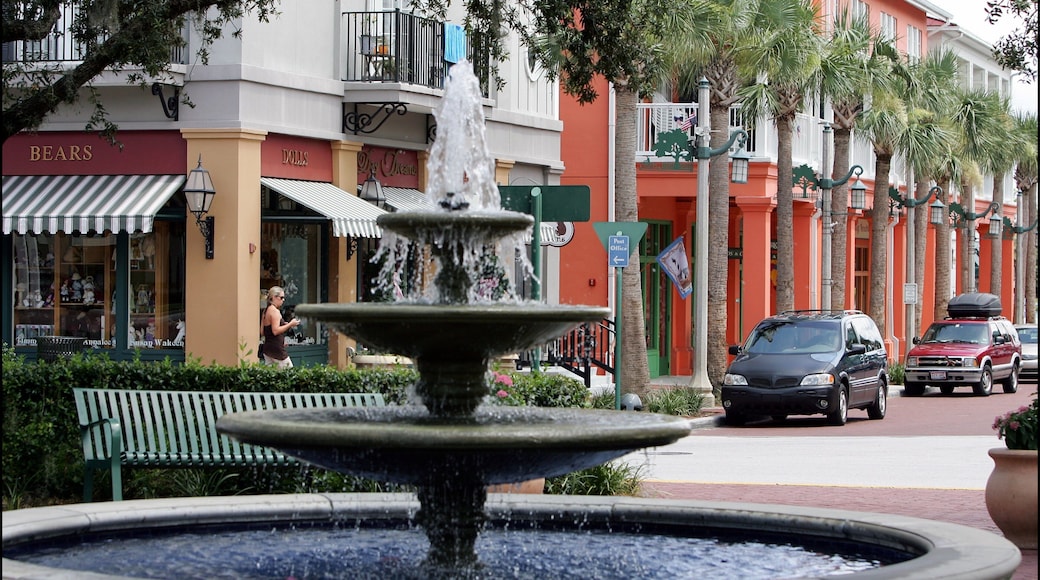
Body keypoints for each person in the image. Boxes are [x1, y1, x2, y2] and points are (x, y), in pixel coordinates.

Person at [261, 286, 300, 369]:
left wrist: (284, 325)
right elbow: (275, 331)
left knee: (272, 376)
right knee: (289, 372)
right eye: (281, 298)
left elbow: (262, 331)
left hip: (268, 348)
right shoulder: (274, 311)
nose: (283, 300)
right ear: (274, 297)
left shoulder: (266, 310)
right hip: (277, 350)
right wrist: (290, 324)